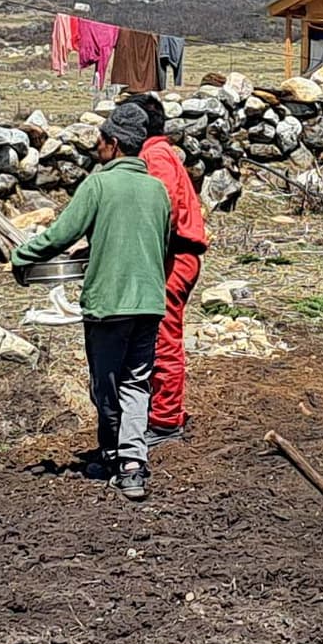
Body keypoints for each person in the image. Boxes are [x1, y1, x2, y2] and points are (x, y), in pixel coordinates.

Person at [11, 101, 176, 501]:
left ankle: (115, 452)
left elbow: (62, 234)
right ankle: (131, 464)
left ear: (114, 144)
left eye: (101, 139)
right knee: (137, 383)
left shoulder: (99, 185)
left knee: (105, 385)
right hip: (150, 302)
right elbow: (163, 245)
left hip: (108, 304)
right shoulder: (157, 190)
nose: (96, 145)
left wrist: (22, 257)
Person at [127, 96, 212, 447]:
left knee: (164, 338)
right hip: (174, 254)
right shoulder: (160, 153)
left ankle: (165, 420)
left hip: (173, 257)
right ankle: (160, 412)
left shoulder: (154, 156)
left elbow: (165, 210)